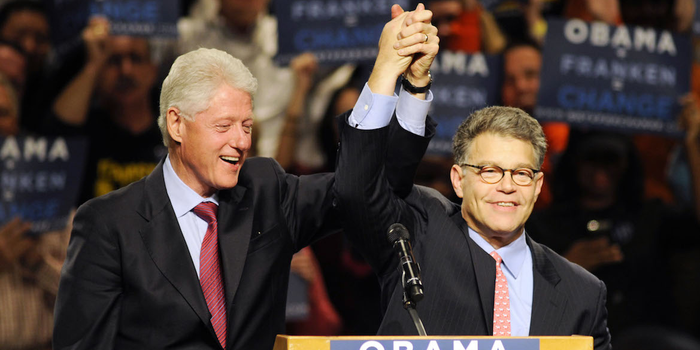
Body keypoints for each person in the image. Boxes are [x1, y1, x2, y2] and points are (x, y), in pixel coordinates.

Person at [52, 4, 435, 349]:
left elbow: (367, 187)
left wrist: (404, 82)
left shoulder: (267, 191)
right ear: (176, 124)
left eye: (247, 125)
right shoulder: (107, 224)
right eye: (224, 126)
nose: (240, 141)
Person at [334, 8, 611, 348]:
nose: (507, 186)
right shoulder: (418, 237)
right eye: (490, 171)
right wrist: (401, 76)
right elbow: (356, 190)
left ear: (538, 186)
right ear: (458, 180)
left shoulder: (583, 292)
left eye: (521, 173)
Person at [46, 18, 166, 204]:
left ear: (153, 69)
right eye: (113, 61)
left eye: (135, 58)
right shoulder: (89, 129)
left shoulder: (174, 130)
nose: (125, 71)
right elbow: (58, 132)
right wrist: (93, 65)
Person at [0, 73, 71, 350]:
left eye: (3, 113)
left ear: (16, 124)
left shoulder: (57, 200)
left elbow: (90, 302)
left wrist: (37, 263)